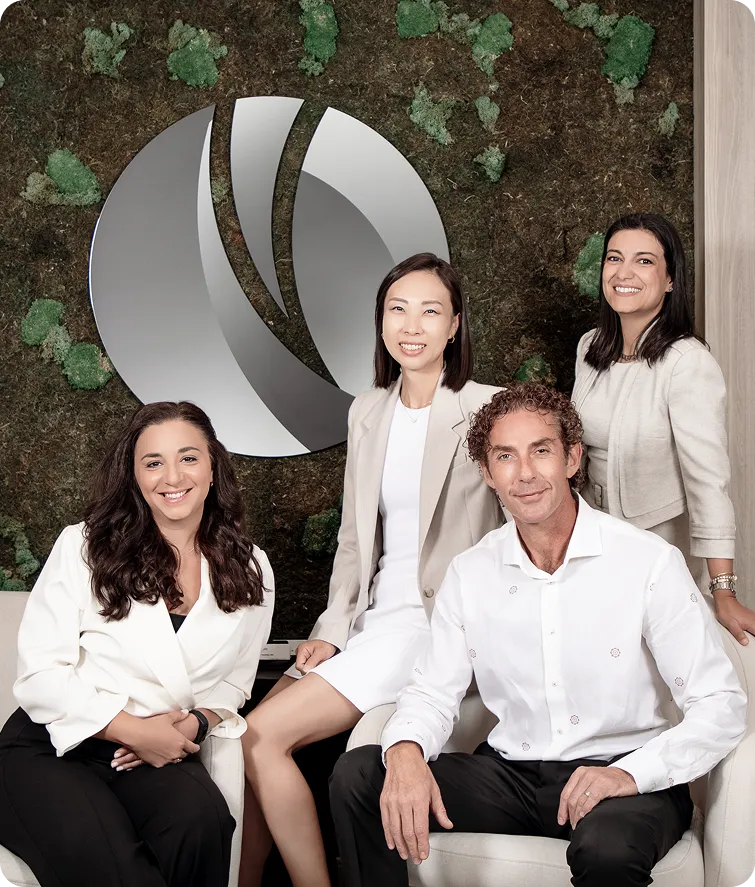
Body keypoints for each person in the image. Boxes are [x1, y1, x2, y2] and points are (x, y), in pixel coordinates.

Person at [329, 383, 746, 887]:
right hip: (511, 777)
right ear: (487, 473)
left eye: (541, 451)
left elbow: (720, 704)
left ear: (571, 458)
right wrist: (405, 751)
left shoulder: (647, 562)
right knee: (358, 777)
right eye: (505, 456)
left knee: (608, 851)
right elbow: (432, 694)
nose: (524, 473)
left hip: (624, 779)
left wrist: (632, 774)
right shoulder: (470, 572)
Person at [240, 253, 502, 887]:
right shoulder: (369, 410)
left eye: (430, 311)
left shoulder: (487, 409)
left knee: (260, 738)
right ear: (382, 322)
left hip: (432, 628)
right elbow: (356, 542)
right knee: (239, 741)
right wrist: (333, 627)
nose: (411, 325)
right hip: (369, 624)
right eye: (397, 309)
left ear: (455, 325)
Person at [0, 402, 274, 887]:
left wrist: (193, 723)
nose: (172, 476)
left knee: (204, 823)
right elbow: (40, 675)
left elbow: (234, 684)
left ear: (213, 468)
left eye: (188, 458)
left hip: (154, 754)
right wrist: (132, 729)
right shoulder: (84, 547)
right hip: (54, 747)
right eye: (153, 462)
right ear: (135, 477)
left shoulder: (251, 568)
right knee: (122, 873)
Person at [573, 212, 755, 644]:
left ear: (671, 279)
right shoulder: (588, 347)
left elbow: (708, 483)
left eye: (644, 261)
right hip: (590, 547)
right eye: (614, 258)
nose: (624, 273)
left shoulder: (687, 363)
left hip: (657, 556)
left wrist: (723, 592)